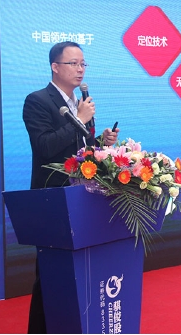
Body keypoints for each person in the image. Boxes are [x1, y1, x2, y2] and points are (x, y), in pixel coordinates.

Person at [22, 41, 119, 333]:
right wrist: (79, 119)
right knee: (50, 274)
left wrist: (101, 141)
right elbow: (45, 147)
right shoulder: (38, 101)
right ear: (55, 67)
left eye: (83, 64)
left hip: (83, 198)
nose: (80, 69)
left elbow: (80, 151)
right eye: (73, 63)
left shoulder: (81, 103)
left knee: (80, 271)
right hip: (52, 199)